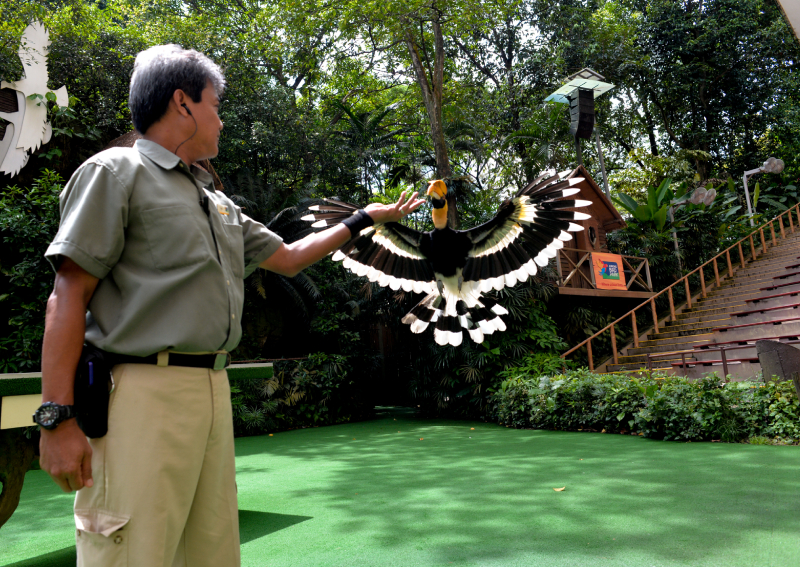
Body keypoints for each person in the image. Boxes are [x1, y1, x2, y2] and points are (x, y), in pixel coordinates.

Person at [36, 44, 424, 567]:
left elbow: (288, 257)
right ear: (183, 104)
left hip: (213, 390)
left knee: (211, 552)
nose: (221, 119)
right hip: (140, 393)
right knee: (129, 551)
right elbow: (67, 294)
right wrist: (56, 419)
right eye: (215, 105)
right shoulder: (115, 172)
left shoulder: (215, 202)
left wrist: (362, 219)